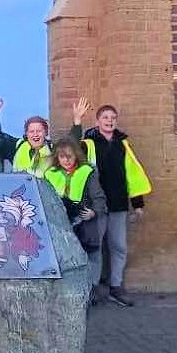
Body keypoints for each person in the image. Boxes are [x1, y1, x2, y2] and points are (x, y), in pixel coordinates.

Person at [71, 101, 151, 308]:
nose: (109, 121)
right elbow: (72, 150)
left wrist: (138, 204)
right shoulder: (88, 142)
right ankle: (93, 289)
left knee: (118, 247)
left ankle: (116, 287)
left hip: (118, 204)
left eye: (113, 118)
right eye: (105, 118)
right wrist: (77, 121)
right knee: (95, 248)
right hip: (97, 206)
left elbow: (131, 175)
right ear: (97, 121)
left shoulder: (122, 144)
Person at [44, 137, 107, 298]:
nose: (66, 160)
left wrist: (94, 212)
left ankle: (92, 288)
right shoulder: (50, 174)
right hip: (62, 221)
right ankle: (69, 290)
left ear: (76, 156)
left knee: (91, 254)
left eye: (70, 156)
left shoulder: (87, 172)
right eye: (62, 157)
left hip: (84, 218)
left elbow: (99, 197)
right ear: (57, 158)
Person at [0, 107, 54, 178]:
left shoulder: (53, 150)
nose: (35, 134)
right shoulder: (18, 145)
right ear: (26, 134)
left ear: (46, 133)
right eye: (31, 131)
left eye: (39, 131)